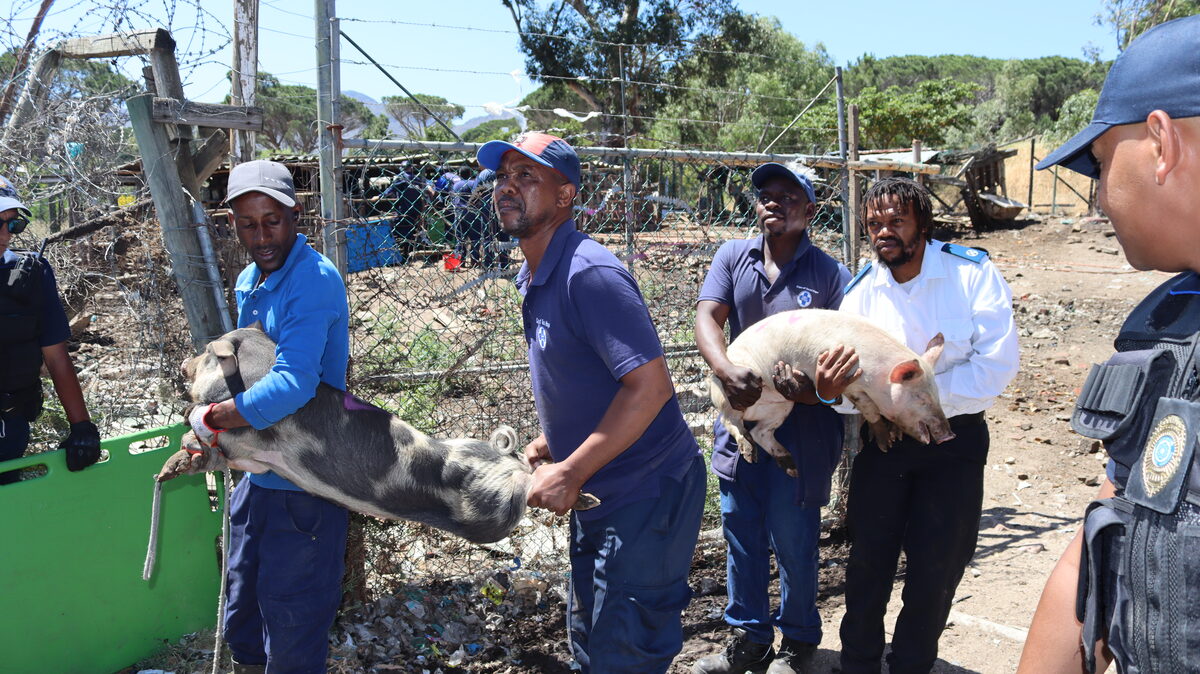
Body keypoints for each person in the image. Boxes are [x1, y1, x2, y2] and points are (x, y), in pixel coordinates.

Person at [475, 132, 705, 673]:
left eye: (527, 176)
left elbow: (650, 388)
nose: (508, 187)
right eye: (504, 176)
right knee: (591, 643)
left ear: (565, 196)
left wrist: (570, 469)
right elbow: (589, 376)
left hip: (647, 494)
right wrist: (554, 441)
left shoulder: (590, 273)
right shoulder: (532, 273)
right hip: (601, 491)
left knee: (624, 653)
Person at [1018, 15, 1200, 674]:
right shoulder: (1167, 326)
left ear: (1160, 142)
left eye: (1098, 165)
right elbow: (1099, 538)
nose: (1097, 199)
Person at [836, 176, 1019, 673]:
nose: (883, 231)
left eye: (897, 220)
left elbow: (997, 366)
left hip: (953, 441)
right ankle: (857, 663)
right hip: (885, 443)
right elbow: (845, 394)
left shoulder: (971, 274)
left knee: (937, 566)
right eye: (874, 223)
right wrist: (841, 394)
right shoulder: (860, 295)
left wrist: (915, 405)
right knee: (868, 563)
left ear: (923, 223)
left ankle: (912, 664)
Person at [692, 162, 855, 674]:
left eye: (789, 195)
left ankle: (799, 640)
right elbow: (707, 316)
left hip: (805, 432)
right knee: (741, 535)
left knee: (794, 538)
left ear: (810, 211)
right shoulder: (732, 256)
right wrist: (726, 370)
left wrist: (810, 395)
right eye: (766, 193)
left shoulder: (830, 276)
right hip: (740, 419)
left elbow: (845, 359)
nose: (773, 202)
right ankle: (749, 639)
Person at [189, 160, 351, 673]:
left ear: (295, 215)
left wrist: (214, 420)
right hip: (258, 477)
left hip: (305, 482)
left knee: (293, 625)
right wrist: (223, 433)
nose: (261, 236)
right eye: (246, 223)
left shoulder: (313, 281)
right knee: (243, 615)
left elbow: (293, 384)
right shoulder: (249, 280)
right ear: (230, 222)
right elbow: (250, 372)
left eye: (272, 221)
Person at [0, 176, 100, 484]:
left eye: (13, 224)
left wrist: (81, 427)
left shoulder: (32, 275)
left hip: (9, 426)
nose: (5, 234)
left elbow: (56, 356)